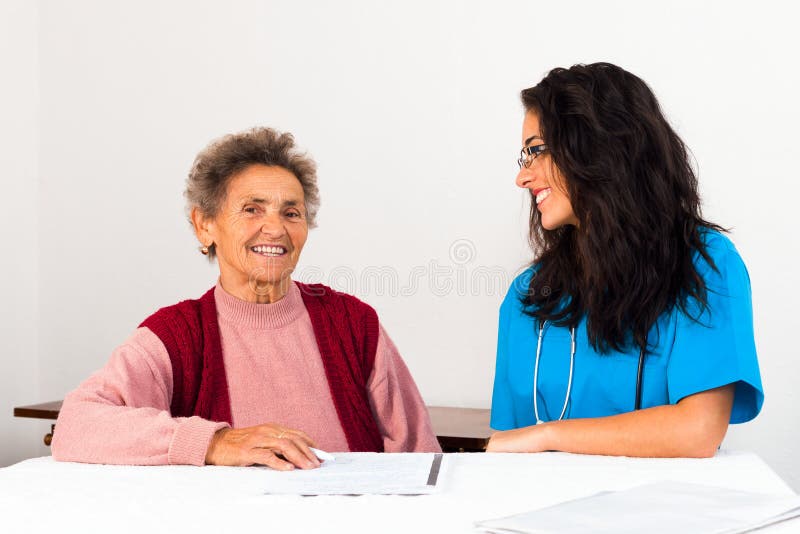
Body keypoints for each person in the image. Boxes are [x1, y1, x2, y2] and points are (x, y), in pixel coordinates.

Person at [52, 127, 441, 470]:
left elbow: (421, 456)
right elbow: (75, 424)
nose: (275, 228)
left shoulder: (353, 323)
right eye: (252, 209)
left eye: (291, 213)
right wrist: (216, 442)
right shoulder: (176, 336)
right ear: (205, 226)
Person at [488, 63, 763, 458]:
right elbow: (505, 449)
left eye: (536, 151)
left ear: (597, 146)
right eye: (523, 157)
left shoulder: (705, 266)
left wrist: (549, 436)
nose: (522, 177)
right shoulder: (527, 295)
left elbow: (699, 430)